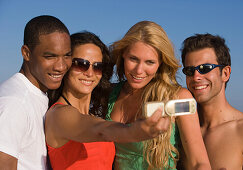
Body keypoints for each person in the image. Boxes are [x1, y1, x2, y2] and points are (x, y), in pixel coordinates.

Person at [45, 31, 171, 170]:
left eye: (98, 66)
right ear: (65, 65)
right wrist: (133, 132)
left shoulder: (96, 114)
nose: (90, 73)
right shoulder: (59, 114)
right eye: (81, 64)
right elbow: (100, 130)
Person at [107, 21, 211, 170]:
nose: (139, 70)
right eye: (133, 59)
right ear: (123, 54)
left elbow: (198, 162)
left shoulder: (178, 98)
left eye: (149, 62)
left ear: (161, 63)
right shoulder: (110, 94)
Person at [0, 15, 72, 169]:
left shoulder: (36, 93)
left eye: (67, 55)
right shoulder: (14, 103)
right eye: (50, 56)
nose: (61, 66)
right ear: (26, 53)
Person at [181, 33, 243, 170]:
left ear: (225, 73)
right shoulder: (179, 129)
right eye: (190, 70)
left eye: (205, 68)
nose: (196, 76)